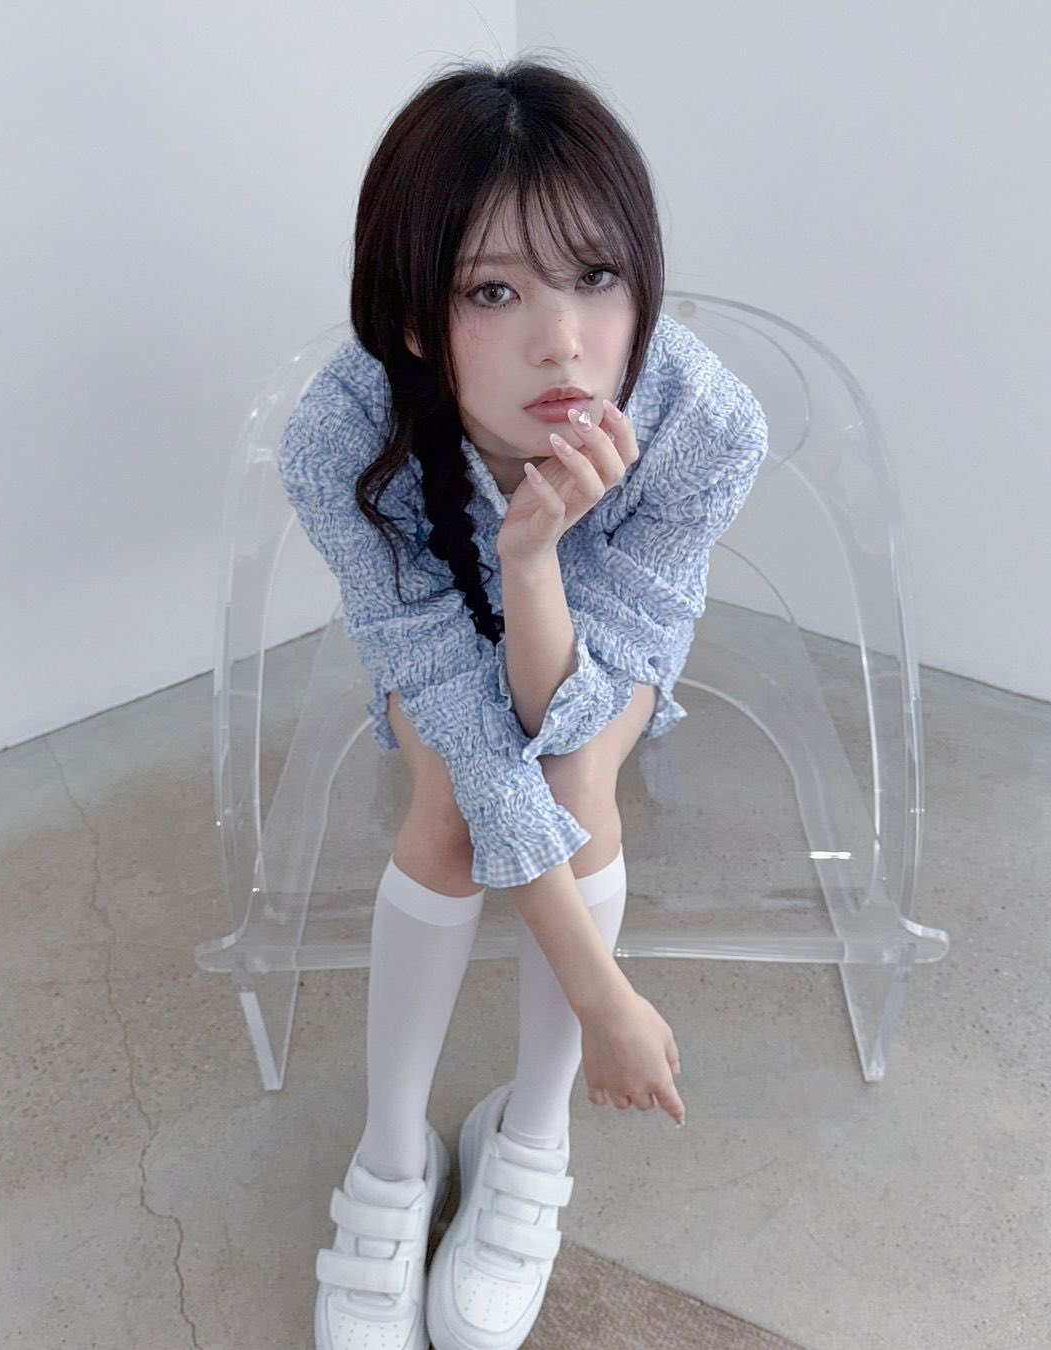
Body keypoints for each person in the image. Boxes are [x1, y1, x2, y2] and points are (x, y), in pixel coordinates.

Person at [276, 53, 770, 1350]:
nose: (564, 340)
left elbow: (566, 719)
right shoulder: (343, 437)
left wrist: (538, 559)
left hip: (601, 653)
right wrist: (604, 992)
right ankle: (392, 1158)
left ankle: (531, 1137)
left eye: (596, 276)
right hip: (443, 644)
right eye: (496, 289)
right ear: (415, 318)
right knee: (450, 798)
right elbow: (458, 699)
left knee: (577, 778)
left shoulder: (704, 425)